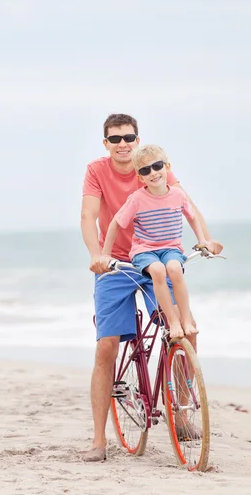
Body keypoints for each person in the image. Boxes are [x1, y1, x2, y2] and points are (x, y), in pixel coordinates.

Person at [81, 113, 223, 462]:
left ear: (137, 138)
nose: (124, 144)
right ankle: (99, 440)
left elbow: (187, 206)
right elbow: (89, 217)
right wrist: (97, 256)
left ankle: (181, 413)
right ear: (106, 144)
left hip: (156, 259)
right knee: (106, 347)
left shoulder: (152, 164)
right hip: (115, 264)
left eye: (129, 137)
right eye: (116, 139)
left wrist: (204, 240)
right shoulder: (97, 170)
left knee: (185, 333)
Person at [102, 143, 211, 339]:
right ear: (140, 177)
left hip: (171, 248)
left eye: (157, 166)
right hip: (145, 251)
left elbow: (192, 217)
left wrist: (202, 240)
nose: (153, 173)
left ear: (167, 167)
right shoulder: (137, 198)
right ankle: (173, 320)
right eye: (145, 170)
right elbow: (115, 224)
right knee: (158, 270)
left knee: (175, 269)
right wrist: (105, 256)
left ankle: (185, 319)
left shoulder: (177, 195)